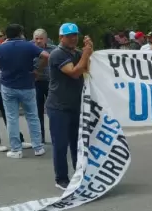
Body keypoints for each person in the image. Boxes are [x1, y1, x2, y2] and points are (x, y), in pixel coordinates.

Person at [0, 24, 50, 158]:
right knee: (32, 116)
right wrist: (37, 70)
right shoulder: (28, 46)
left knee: (12, 118)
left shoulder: (0, 48)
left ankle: (16, 150)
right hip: (27, 85)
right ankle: (38, 147)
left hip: (8, 86)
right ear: (20, 33)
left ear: (7, 35)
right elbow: (46, 56)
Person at [46, 23, 92, 190]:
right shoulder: (57, 54)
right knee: (60, 144)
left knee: (76, 143)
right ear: (61, 37)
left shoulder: (77, 53)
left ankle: (79, 174)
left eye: (75, 35)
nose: (73, 38)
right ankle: (61, 179)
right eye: (69, 35)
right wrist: (86, 53)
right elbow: (74, 73)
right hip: (58, 106)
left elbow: (87, 68)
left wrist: (89, 51)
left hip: (75, 104)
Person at [33, 29, 57, 143]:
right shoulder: (30, 49)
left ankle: (56, 136)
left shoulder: (54, 49)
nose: (38, 41)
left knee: (53, 110)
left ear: (46, 39)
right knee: (37, 111)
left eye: (41, 38)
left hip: (50, 82)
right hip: (35, 83)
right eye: (36, 38)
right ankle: (40, 137)